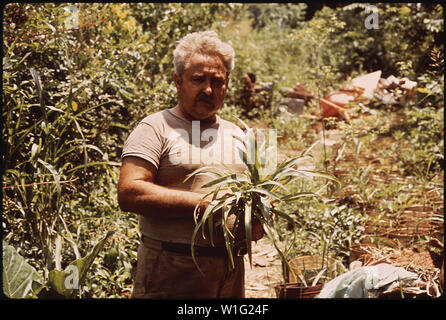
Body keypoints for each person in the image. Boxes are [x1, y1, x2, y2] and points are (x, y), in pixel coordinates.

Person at [118, 30, 264, 298]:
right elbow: (130, 192)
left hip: (229, 274)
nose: (208, 89)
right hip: (170, 270)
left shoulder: (240, 135)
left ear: (227, 84)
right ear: (177, 81)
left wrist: (259, 215)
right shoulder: (155, 128)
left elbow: (256, 216)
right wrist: (203, 205)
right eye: (198, 80)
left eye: (217, 81)